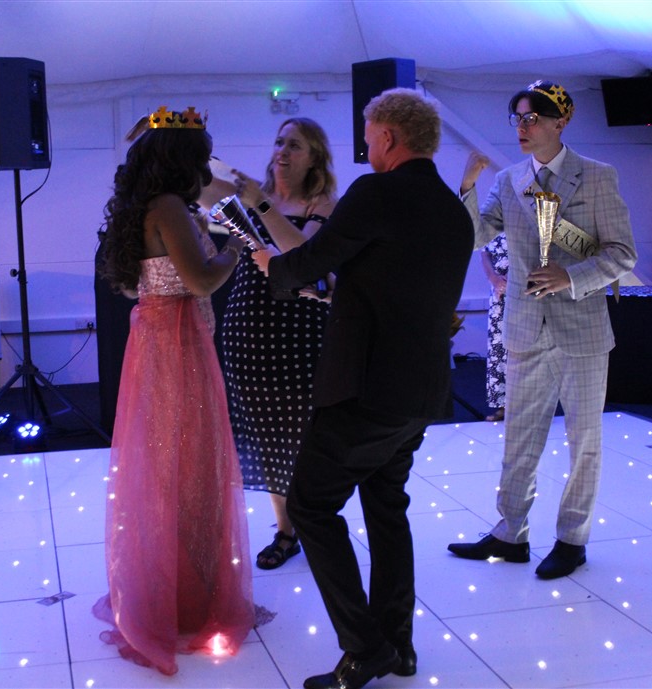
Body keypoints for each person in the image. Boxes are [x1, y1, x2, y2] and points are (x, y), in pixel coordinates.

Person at [252, 88, 473, 689]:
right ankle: (398, 646)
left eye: (369, 135)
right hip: (422, 390)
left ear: (388, 138)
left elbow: (306, 262)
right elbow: (392, 284)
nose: (366, 145)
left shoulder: (376, 192)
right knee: (386, 509)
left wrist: (267, 259)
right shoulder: (453, 210)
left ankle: (365, 646)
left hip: (365, 389)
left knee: (309, 506)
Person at [447, 80, 638, 579]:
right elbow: (474, 236)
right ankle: (510, 533)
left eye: (532, 118)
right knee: (518, 438)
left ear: (561, 121)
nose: (522, 127)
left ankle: (572, 539)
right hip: (525, 326)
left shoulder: (596, 176)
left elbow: (622, 253)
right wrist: (467, 187)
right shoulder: (509, 179)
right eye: (518, 119)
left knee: (584, 440)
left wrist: (570, 277)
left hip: (583, 330)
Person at [92, 106, 255, 676]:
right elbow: (202, 280)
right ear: (181, 160)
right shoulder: (168, 208)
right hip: (178, 343)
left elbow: (152, 280)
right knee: (190, 466)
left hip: (157, 337)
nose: (206, 168)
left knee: (167, 467)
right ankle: (188, 597)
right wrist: (235, 248)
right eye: (201, 157)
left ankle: (168, 586)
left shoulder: (144, 207)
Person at [222, 118, 338, 570]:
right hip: (248, 325)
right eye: (278, 142)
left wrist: (262, 204)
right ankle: (286, 531)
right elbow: (210, 203)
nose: (282, 152)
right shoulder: (249, 199)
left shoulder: (322, 204)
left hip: (299, 331)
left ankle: (311, 520)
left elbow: (303, 258)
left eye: (295, 145)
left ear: (314, 157)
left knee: (303, 434)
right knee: (266, 435)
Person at [479, 232, 509, 422]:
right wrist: (494, 279)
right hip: (499, 292)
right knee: (499, 348)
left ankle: (528, 405)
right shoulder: (492, 221)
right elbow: (484, 254)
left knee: (524, 349)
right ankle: (504, 405)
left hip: (527, 289)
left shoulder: (531, 218)